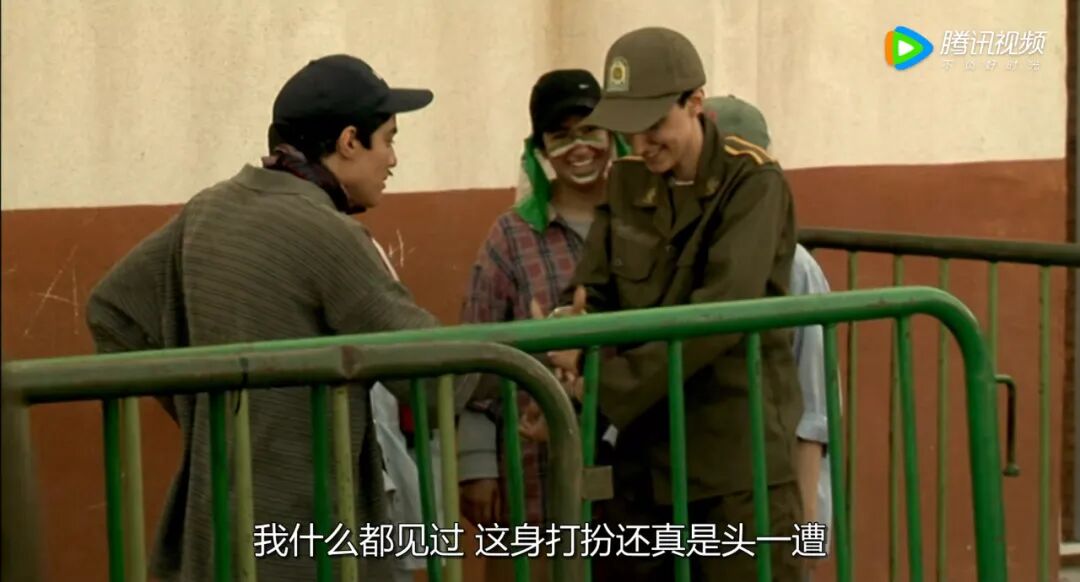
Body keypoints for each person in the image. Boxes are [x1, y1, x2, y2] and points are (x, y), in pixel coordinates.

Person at [85, 54, 472, 582]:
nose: (393, 160)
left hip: (217, 522)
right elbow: (433, 371)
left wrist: (210, 416)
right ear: (349, 141)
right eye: (388, 140)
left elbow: (114, 312)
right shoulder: (327, 233)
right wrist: (535, 362)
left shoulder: (210, 207)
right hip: (306, 534)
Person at [541, 28, 805, 580]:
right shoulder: (627, 180)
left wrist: (601, 386)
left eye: (655, 124)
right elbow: (594, 287)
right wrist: (569, 330)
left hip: (732, 461)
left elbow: (720, 313)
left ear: (695, 103)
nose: (641, 144)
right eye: (629, 129)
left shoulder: (753, 182)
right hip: (643, 460)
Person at [456, 68, 627, 582]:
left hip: (635, 471)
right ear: (541, 149)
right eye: (561, 135)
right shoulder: (510, 238)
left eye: (590, 130)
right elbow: (476, 354)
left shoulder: (641, 224)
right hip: (533, 476)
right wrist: (476, 464)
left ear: (613, 135)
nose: (579, 148)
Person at [705, 94, 837, 579]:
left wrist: (805, 530)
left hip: (780, 499)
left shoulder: (797, 268)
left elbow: (814, 415)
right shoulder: (691, 257)